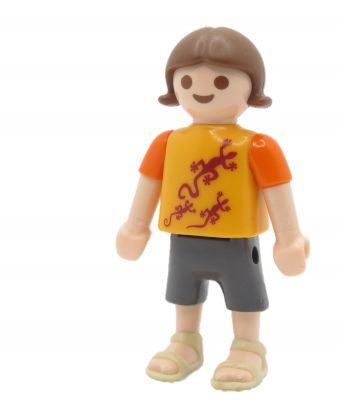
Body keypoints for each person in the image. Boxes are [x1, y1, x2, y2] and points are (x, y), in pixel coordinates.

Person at [116, 27, 309, 391]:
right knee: (183, 292)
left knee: (244, 295)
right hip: (184, 238)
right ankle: (186, 342)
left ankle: (248, 348)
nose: (201, 90)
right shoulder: (167, 143)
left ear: (251, 87)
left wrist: (289, 239)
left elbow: (277, 191)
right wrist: (135, 225)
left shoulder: (258, 146)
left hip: (236, 243)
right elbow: (149, 184)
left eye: (222, 81)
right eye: (187, 80)